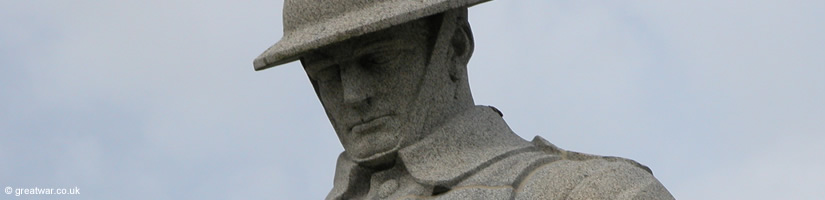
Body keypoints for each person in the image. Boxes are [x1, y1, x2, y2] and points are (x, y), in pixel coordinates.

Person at [253, 0, 674, 199]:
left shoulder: (597, 194)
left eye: (375, 61)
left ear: (454, 46)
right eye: (327, 74)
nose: (352, 95)